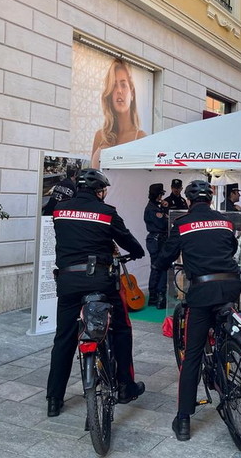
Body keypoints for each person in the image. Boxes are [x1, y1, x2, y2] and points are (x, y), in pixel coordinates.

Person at [46, 168, 146, 417]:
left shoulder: (59, 211)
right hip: (100, 281)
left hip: (68, 282)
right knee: (122, 328)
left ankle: (54, 399)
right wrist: (138, 251)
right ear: (99, 191)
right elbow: (127, 240)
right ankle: (125, 386)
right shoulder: (107, 212)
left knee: (64, 339)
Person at [154, 180, 241, 442]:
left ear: (190, 202)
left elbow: (166, 256)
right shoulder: (226, 221)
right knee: (225, 331)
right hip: (230, 287)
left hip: (202, 291)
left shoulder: (181, 224)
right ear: (211, 199)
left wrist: (158, 264)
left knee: (192, 354)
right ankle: (228, 366)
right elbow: (231, 248)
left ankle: (183, 419)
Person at [91, 58, 147, 168]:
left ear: (132, 93)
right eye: (114, 85)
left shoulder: (140, 137)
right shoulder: (100, 136)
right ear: (109, 94)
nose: (119, 91)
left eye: (123, 84)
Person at [144, 183, 169, 309]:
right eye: (161, 194)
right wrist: (165, 213)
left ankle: (154, 296)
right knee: (160, 267)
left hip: (155, 240)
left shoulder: (153, 207)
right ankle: (159, 296)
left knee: (156, 268)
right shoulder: (152, 209)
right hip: (157, 240)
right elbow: (163, 224)